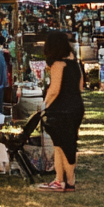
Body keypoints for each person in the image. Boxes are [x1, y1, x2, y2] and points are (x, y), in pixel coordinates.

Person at [39, 31, 84, 192]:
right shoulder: (75, 63)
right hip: (76, 105)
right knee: (61, 144)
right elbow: (80, 86)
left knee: (64, 145)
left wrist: (45, 105)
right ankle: (60, 179)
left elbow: (54, 89)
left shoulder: (58, 64)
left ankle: (69, 180)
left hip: (61, 108)